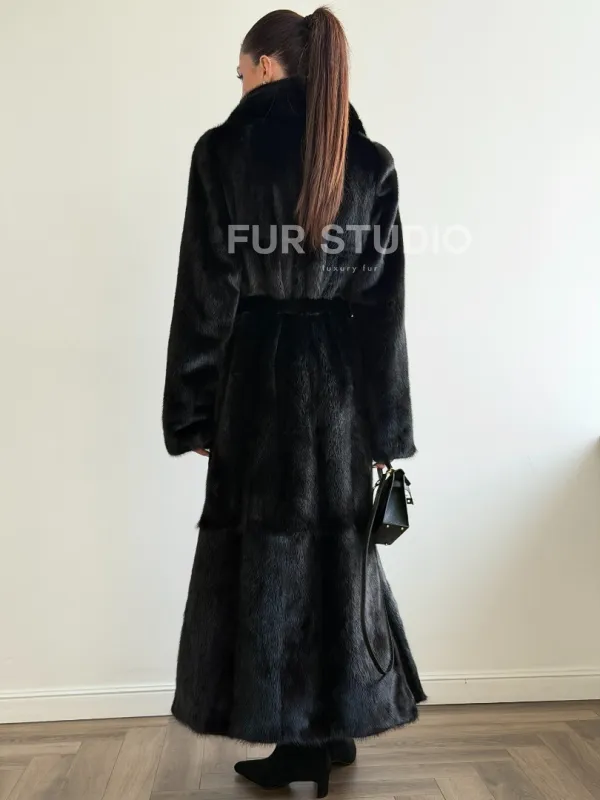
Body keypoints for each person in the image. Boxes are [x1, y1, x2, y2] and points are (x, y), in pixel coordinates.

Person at [162, 6, 427, 798]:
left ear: (268, 66)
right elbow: (383, 308)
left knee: (271, 557)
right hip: (341, 391)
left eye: (241, 70)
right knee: (337, 557)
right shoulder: (369, 162)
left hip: (260, 387)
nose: (239, 82)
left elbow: (205, 294)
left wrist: (194, 408)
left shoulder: (223, 152)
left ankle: (297, 742)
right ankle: (335, 726)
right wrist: (386, 427)